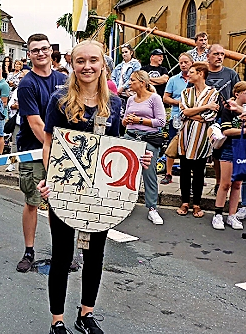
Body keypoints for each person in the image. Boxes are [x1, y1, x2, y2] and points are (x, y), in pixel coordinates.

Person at [38, 40, 151, 334]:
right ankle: (57, 321)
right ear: (72, 64)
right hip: (65, 189)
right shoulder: (59, 100)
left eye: (93, 61)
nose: (87, 66)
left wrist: (139, 159)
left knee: (95, 255)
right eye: (80, 61)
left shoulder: (114, 103)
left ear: (103, 64)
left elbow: (114, 148)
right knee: (62, 256)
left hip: (100, 194)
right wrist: (49, 178)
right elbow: (49, 144)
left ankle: (85, 315)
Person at [15, 33, 68, 273]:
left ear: (50, 51)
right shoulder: (27, 83)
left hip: (61, 149)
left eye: (44, 49)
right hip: (34, 151)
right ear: (29, 54)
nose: (40, 53)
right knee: (33, 202)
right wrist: (54, 151)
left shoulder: (63, 80)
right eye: (35, 50)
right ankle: (29, 250)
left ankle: (62, 251)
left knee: (59, 202)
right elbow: (36, 124)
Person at [176, 62, 219, 220]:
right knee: (185, 171)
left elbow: (211, 116)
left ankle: (197, 204)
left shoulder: (213, 93)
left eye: (192, 72)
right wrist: (204, 107)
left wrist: (191, 113)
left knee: (199, 172)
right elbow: (183, 112)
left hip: (201, 138)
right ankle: (185, 202)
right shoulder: (186, 92)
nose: (188, 74)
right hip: (185, 137)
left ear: (201, 73)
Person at [122, 70, 166, 224]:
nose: (129, 83)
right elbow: (124, 123)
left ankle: (152, 208)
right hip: (131, 137)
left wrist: (140, 120)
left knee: (149, 174)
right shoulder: (130, 100)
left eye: (132, 80)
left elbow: (161, 122)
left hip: (148, 139)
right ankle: (126, 204)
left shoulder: (154, 98)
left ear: (142, 82)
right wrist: (126, 120)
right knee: (127, 171)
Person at [205, 44, 240, 195]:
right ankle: (214, 183)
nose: (219, 57)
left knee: (222, 153)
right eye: (216, 54)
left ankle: (222, 184)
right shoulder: (203, 73)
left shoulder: (231, 73)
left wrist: (231, 101)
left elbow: (238, 91)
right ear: (208, 56)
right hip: (206, 117)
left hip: (224, 118)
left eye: (222, 54)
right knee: (210, 154)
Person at [213, 81, 246, 230]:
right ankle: (218, 213)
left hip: (243, 148)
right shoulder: (228, 108)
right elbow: (226, 130)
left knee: (238, 183)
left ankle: (232, 215)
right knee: (225, 183)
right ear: (237, 94)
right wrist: (243, 131)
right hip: (229, 147)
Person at [161, 53, 193, 185]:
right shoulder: (173, 79)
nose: (183, 65)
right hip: (176, 117)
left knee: (191, 146)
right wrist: (178, 102)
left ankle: (193, 174)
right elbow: (165, 98)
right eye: (181, 63)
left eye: (186, 62)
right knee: (172, 145)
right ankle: (168, 174)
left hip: (192, 118)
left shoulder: (196, 79)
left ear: (192, 63)